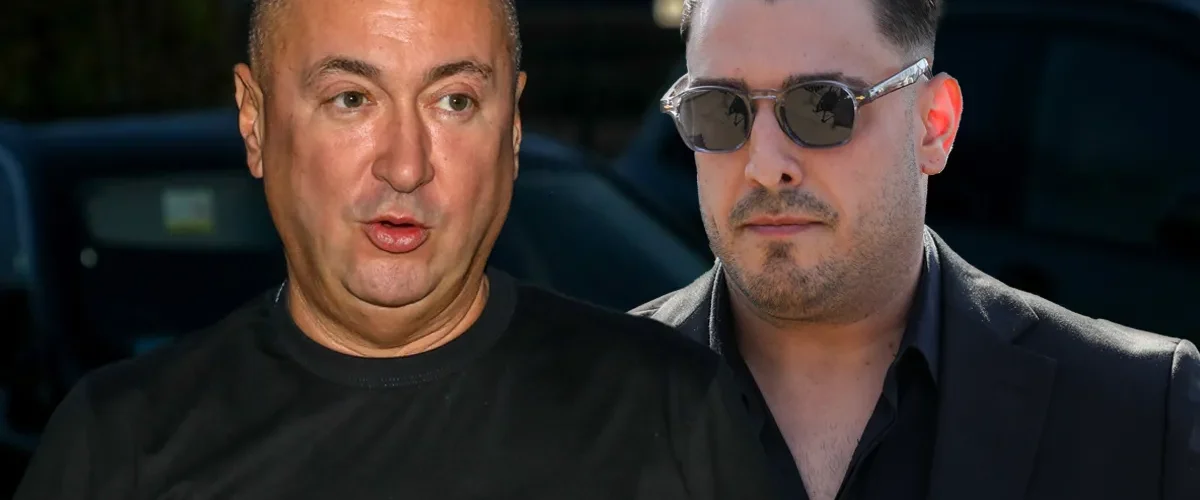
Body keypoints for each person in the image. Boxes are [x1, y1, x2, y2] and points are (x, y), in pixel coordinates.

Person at [13, 0, 782, 498]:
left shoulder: (673, 412)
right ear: (255, 121)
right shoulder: (117, 450)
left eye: (454, 101)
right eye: (352, 99)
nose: (406, 165)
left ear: (513, 126)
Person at [632, 0, 1200, 499]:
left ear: (934, 126)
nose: (764, 166)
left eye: (822, 107)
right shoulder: (587, 404)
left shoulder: (1142, 413)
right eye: (719, 111)